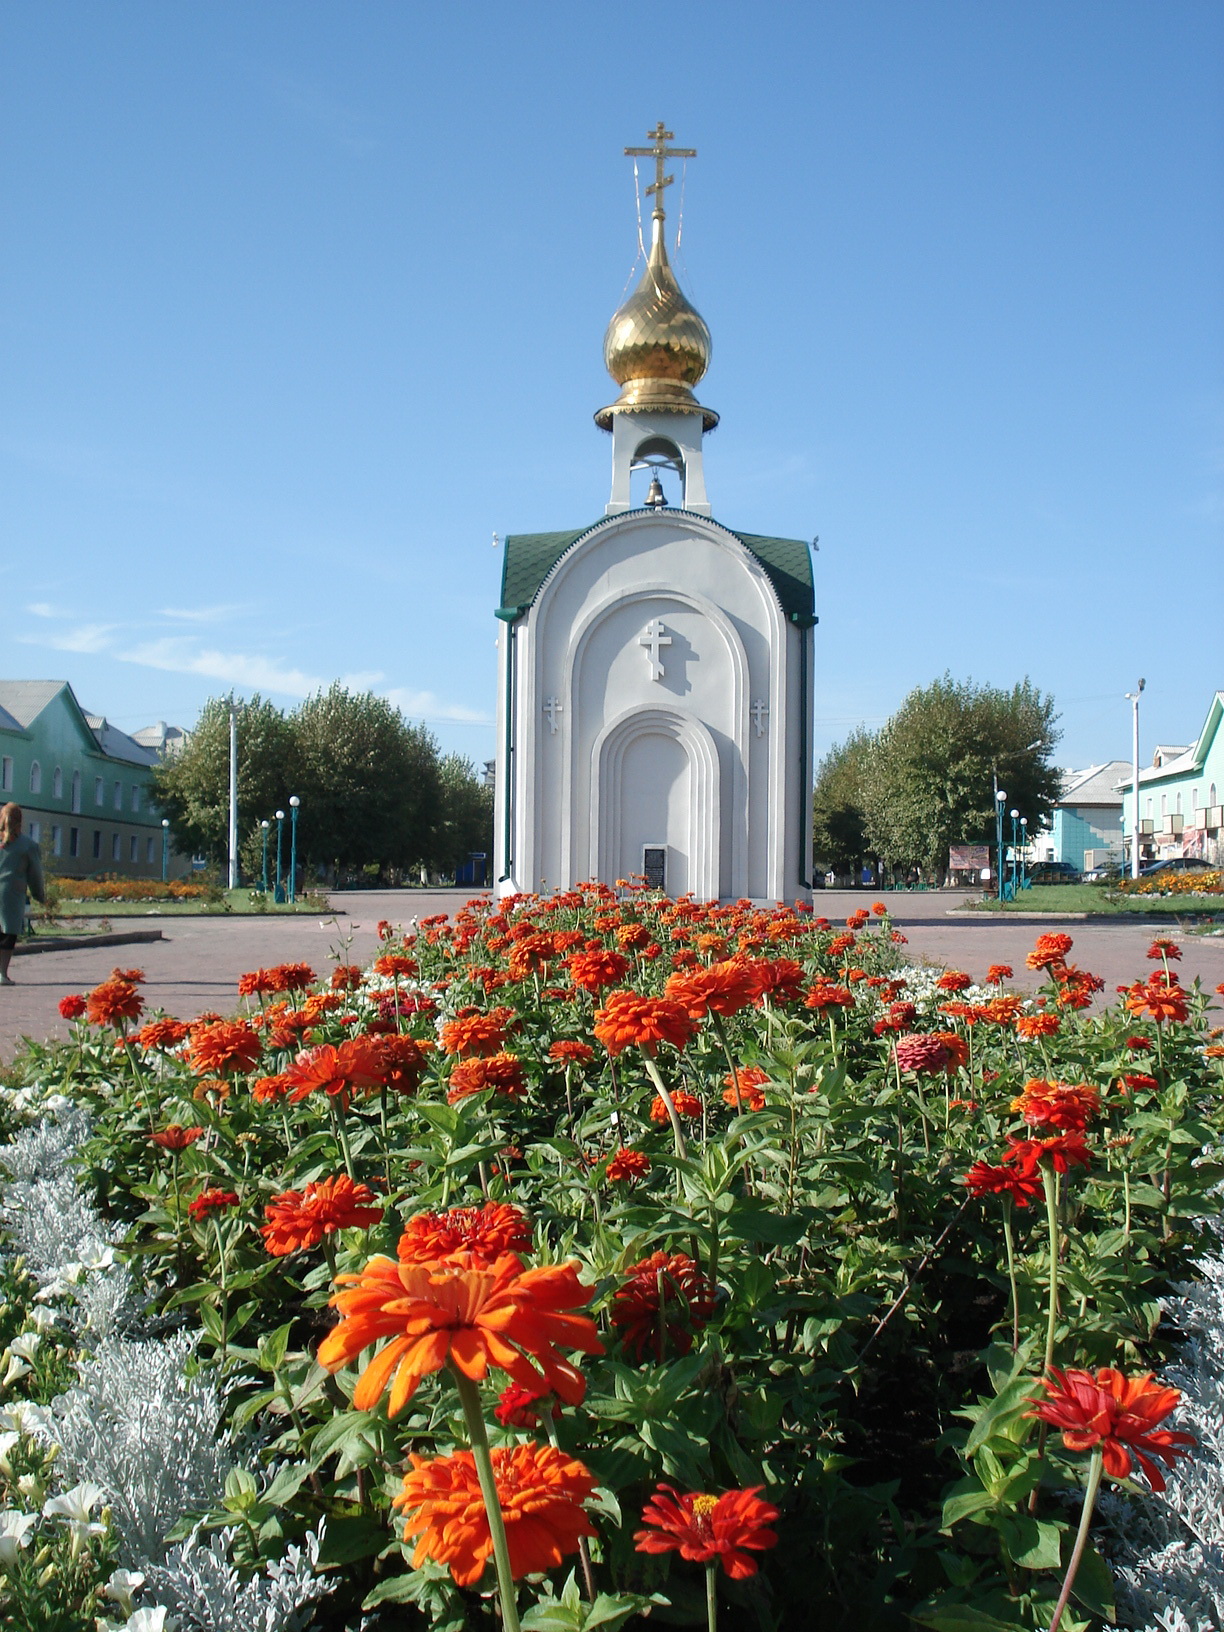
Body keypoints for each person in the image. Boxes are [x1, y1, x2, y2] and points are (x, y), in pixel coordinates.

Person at [0, 803, 45, 986]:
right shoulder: (28, 845)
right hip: (11, 894)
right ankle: (2, 973)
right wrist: (39, 895)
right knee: (8, 934)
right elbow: (35, 874)